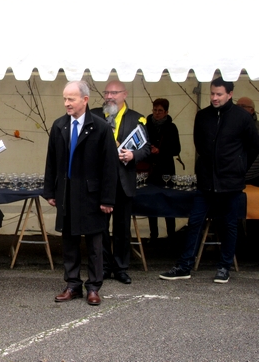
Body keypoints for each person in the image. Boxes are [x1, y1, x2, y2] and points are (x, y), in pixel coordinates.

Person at [160, 78, 259, 283]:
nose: (214, 97)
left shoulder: (242, 117)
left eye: (219, 94)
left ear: (230, 94)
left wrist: (240, 168)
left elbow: (254, 147)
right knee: (195, 222)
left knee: (228, 225)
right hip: (206, 182)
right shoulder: (202, 116)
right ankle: (184, 265)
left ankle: (224, 267)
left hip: (230, 182)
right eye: (212, 93)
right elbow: (199, 144)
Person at [44, 80, 118, 306]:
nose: (66, 103)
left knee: (95, 243)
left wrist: (107, 198)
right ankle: (73, 284)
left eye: (71, 99)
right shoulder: (59, 126)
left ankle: (94, 287)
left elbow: (109, 166)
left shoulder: (101, 127)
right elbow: (51, 161)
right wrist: (50, 190)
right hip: (67, 193)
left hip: (92, 195)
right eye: (65, 99)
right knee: (69, 241)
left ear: (84, 100)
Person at [91, 80, 151, 285]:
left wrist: (132, 155)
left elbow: (146, 148)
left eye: (114, 93)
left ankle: (121, 268)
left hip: (123, 180)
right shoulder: (94, 115)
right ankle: (104, 266)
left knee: (122, 228)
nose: (109, 96)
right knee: (100, 228)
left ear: (124, 94)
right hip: (100, 181)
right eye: (106, 92)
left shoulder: (136, 118)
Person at [146, 98, 181, 242]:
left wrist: (160, 150)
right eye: (155, 110)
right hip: (150, 167)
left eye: (160, 111)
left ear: (166, 112)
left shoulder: (171, 127)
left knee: (168, 199)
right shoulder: (146, 125)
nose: (157, 113)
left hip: (166, 167)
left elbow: (176, 149)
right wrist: (150, 149)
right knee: (150, 201)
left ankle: (171, 234)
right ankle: (153, 234)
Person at [236, 97, 259, 186]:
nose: (239, 108)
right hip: (233, 176)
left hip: (255, 177)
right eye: (237, 106)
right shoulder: (228, 126)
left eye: (243, 106)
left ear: (252, 110)